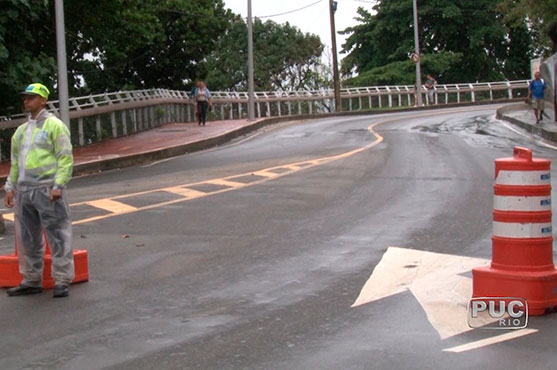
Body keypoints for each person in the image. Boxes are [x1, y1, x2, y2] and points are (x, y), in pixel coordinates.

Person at [4, 83, 74, 298]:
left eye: (32, 98)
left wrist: (58, 185)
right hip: (25, 191)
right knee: (28, 238)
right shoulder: (21, 132)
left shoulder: (54, 126)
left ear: (43, 100)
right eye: (25, 98)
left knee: (58, 235)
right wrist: (10, 187)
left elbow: (65, 157)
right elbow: (16, 162)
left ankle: (62, 279)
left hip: (47, 189)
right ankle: (32, 279)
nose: (27, 101)